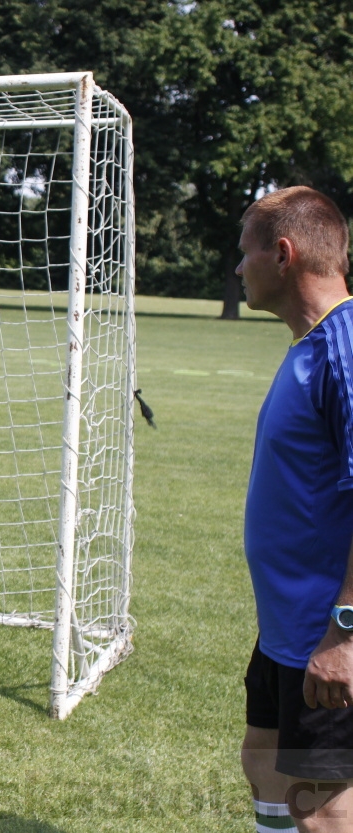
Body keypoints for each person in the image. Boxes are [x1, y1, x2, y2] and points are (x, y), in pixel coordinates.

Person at [237, 186, 353, 832]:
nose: (237, 269)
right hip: (287, 627)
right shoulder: (309, 344)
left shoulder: (347, 348)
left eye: (243, 251)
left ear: (282, 254)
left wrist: (344, 632)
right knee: (263, 762)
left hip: (327, 630)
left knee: (325, 809)